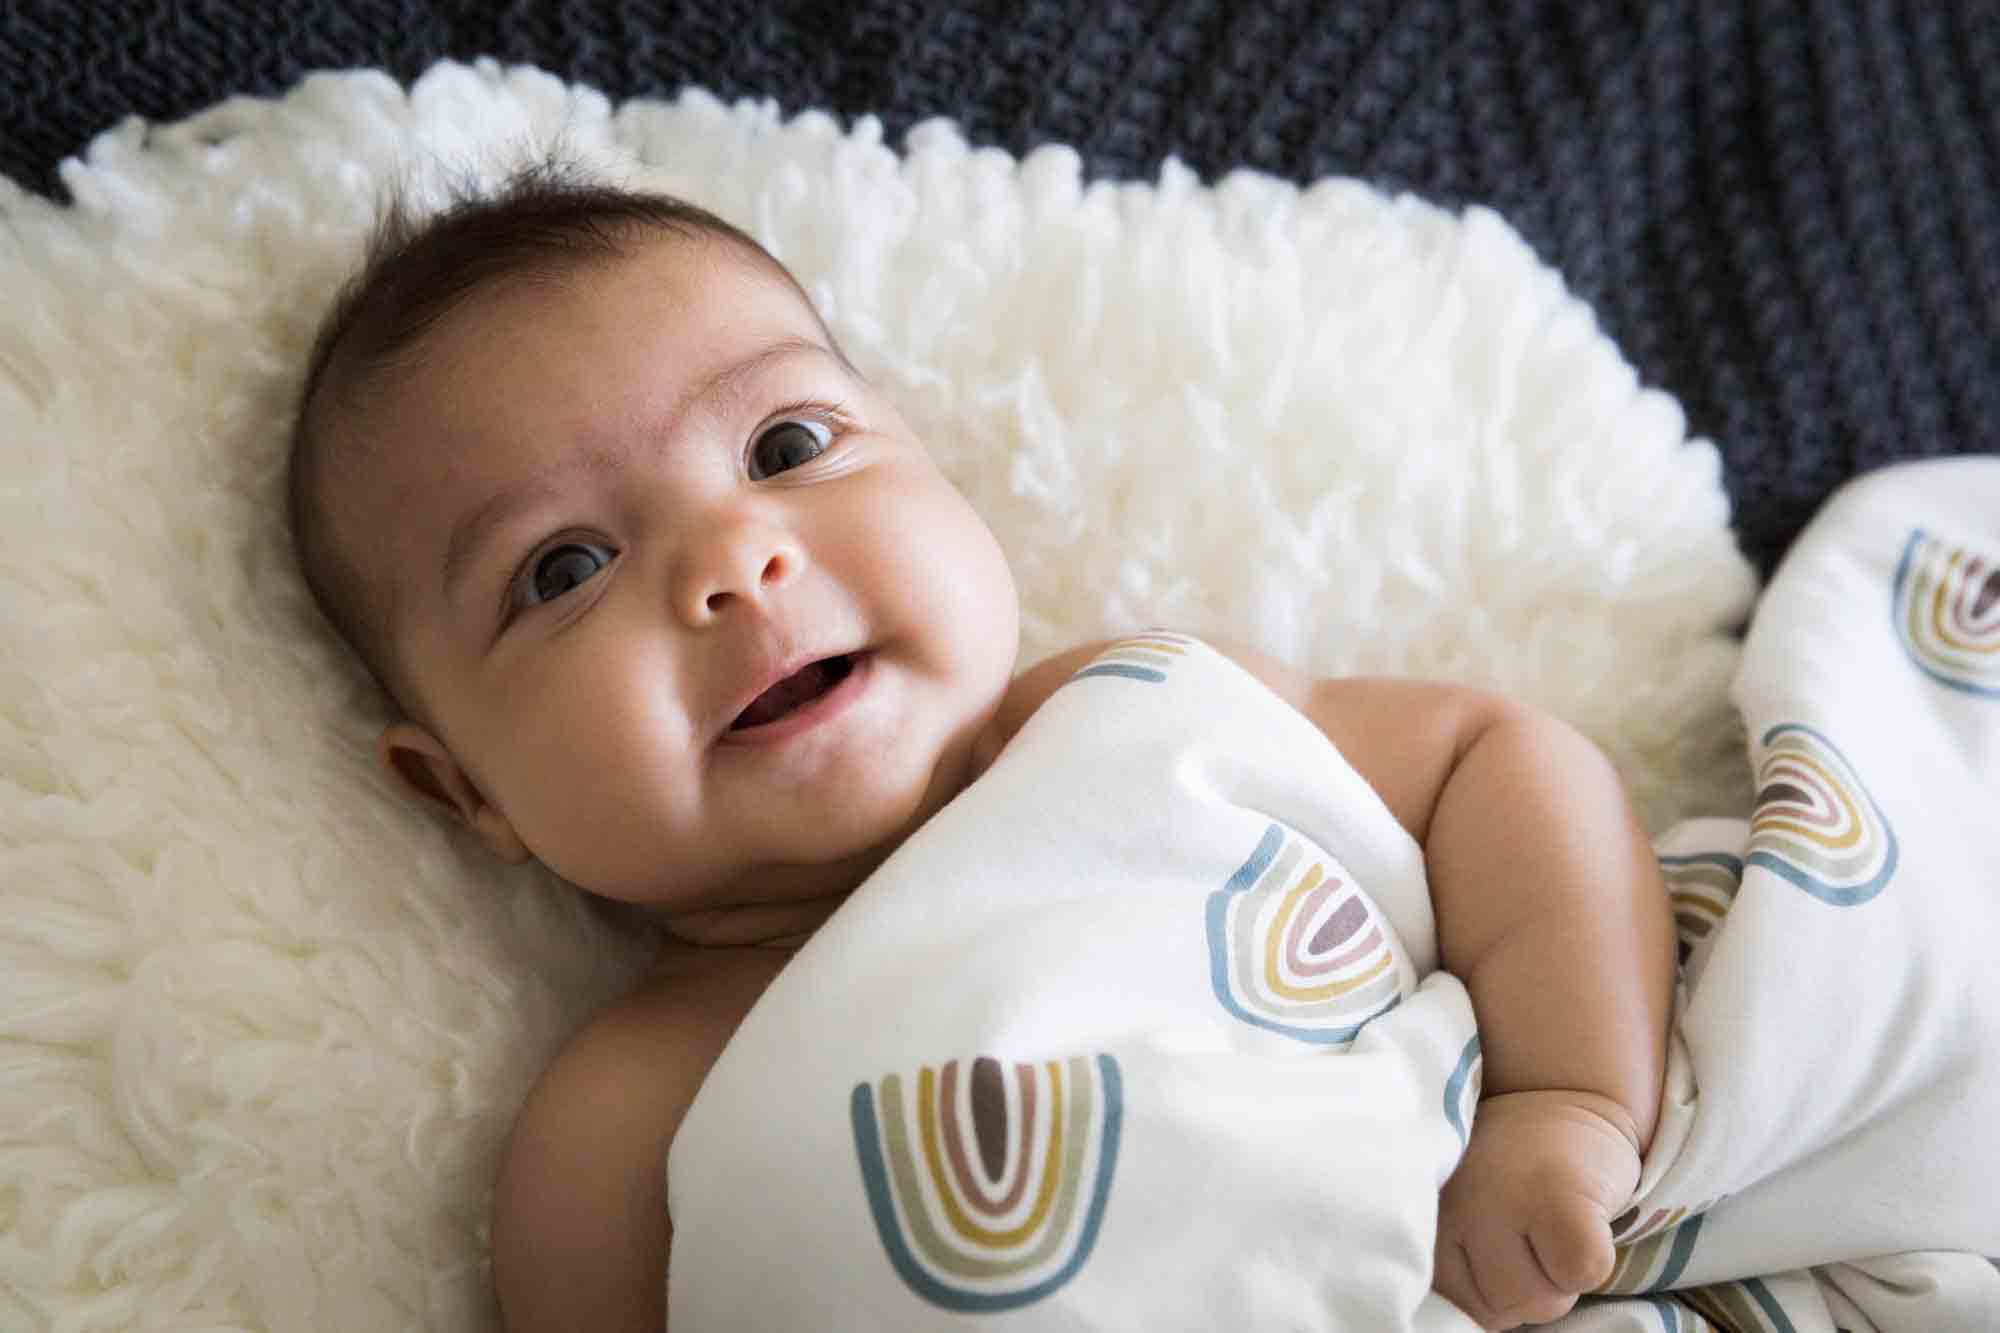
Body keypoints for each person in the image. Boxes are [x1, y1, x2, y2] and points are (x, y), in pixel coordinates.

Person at [286, 161, 1676, 1332]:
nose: (733, 559)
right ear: (466, 787)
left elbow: (1505, 759)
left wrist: (1566, 1098)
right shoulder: (618, 1124)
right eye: (565, 566)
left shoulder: (1146, 706)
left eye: (782, 445)